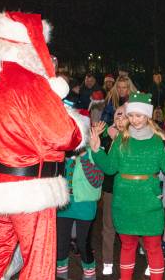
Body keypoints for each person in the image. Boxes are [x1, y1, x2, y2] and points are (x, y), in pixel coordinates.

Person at [0, 11, 82, 279]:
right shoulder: (31, 81)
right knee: (38, 264)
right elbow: (63, 136)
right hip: (30, 192)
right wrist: (75, 124)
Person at [90, 92, 165, 280]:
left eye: (139, 115)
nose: (134, 119)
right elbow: (109, 168)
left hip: (149, 203)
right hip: (124, 203)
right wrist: (96, 150)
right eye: (131, 115)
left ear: (147, 115)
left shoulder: (157, 140)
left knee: (154, 247)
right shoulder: (121, 139)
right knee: (127, 245)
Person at [56, 110, 103, 280]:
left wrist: (83, 156)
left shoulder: (95, 150)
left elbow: (97, 180)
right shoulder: (61, 153)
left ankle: (89, 273)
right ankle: (61, 273)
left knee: (83, 243)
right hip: (64, 204)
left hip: (85, 205)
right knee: (61, 242)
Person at [99, 104, 128, 276]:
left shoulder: (135, 137)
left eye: (123, 116)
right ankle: (108, 261)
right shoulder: (107, 136)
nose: (119, 119)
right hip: (110, 188)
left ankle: (145, 254)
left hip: (128, 188)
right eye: (117, 116)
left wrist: (118, 138)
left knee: (131, 225)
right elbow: (103, 161)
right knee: (108, 227)